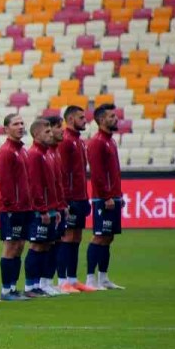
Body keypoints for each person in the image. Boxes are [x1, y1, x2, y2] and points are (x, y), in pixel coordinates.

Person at [55, 105, 97, 292]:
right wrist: (66, 199)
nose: (85, 120)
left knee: (77, 237)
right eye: (81, 117)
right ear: (70, 119)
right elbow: (62, 173)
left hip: (80, 196)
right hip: (70, 198)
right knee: (67, 237)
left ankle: (72, 279)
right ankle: (62, 280)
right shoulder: (65, 141)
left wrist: (84, 197)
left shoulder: (79, 142)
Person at [85, 103, 125, 290]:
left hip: (113, 196)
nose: (115, 119)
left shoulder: (111, 141)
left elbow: (114, 171)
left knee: (109, 237)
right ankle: (90, 279)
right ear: (101, 120)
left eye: (115, 116)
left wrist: (118, 194)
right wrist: (107, 196)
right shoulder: (96, 142)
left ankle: (104, 278)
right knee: (99, 236)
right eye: (111, 116)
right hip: (103, 198)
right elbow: (97, 173)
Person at [0, 113, 33, 301]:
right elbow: (6, 183)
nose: (20, 126)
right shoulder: (6, 152)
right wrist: (13, 206)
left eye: (21, 123)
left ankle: (13, 287)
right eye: (15, 124)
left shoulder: (22, 150)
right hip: (12, 209)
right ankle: (5, 289)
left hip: (24, 208)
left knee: (19, 246)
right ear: (6, 129)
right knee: (11, 246)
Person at [24, 118, 59, 298]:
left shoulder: (47, 153)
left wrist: (56, 208)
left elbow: (52, 184)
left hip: (50, 208)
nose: (51, 134)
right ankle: (30, 285)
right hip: (40, 209)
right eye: (47, 132)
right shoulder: (35, 154)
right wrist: (43, 209)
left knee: (46, 245)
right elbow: (35, 185)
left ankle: (40, 284)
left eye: (50, 131)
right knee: (37, 245)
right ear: (36, 134)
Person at [43, 115, 76, 295]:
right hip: (48, 207)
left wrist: (62, 203)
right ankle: (41, 282)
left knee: (56, 242)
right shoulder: (46, 153)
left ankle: (48, 281)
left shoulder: (55, 151)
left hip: (58, 205)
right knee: (46, 244)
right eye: (56, 128)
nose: (61, 130)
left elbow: (58, 182)